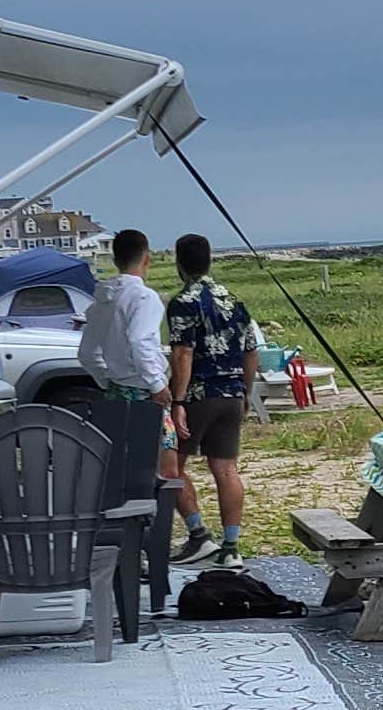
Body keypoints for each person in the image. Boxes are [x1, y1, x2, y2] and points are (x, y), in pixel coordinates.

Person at [77, 226, 203, 554]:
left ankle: (134, 544)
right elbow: (141, 341)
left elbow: (87, 353)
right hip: (144, 397)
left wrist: (108, 379)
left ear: (116, 257)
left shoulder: (103, 298)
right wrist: (158, 385)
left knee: (124, 474)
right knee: (165, 472)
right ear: (146, 257)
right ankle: (169, 540)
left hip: (115, 396)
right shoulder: (144, 297)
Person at [164, 231, 261, 561]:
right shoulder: (233, 300)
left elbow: (183, 354)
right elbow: (251, 352)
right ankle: (232, 547)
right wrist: (245, 392)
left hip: (197, 395)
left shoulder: (183, 302)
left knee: (170, 467)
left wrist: (177, 402)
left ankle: (198, 534)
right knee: (227, 469)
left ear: (179, 263)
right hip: (232, 393)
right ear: (210, 259)